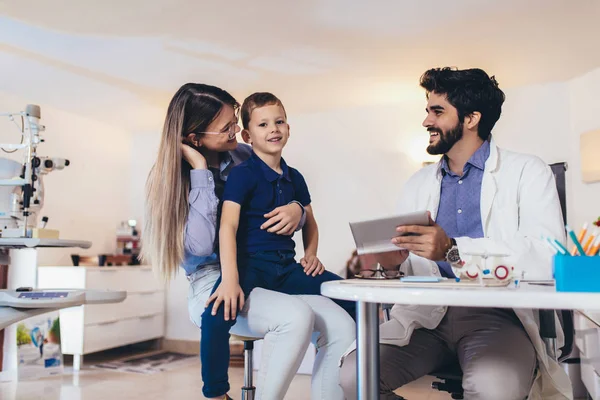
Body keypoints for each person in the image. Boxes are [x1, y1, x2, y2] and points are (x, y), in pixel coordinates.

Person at [339, 68, 572, 400]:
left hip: (497, 317)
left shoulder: (527, 171)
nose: (426, 122)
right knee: (355, 376)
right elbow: (411, 269)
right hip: (425, 318)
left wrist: (453, 250)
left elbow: (547, 256)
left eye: (438, 111)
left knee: (495, 388)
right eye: (427, 110)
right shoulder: (418, 184)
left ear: (471, 118)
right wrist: (389, 267)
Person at [142, 83, 355, 400]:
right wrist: (201, 170)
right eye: (226, 128)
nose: (235, 132)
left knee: (340, 324)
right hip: (213, 277)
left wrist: (298, 211)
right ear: (194, 139)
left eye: (235, 123)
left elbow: (282, 194)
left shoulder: (242, 156)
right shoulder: (171, 182)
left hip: (263, 265)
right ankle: (215, 393)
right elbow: (202, 246)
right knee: (294, 317)